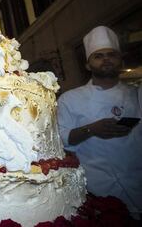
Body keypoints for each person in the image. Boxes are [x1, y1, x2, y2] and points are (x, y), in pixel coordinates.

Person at [57, 26, 142, 218]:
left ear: (120, 60)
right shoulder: (70, 99)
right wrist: (92, 129)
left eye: (111, 54)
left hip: (138, 183)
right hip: (99, 190)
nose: (106, 59)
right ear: (88, 65)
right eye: (98, 56)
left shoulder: (136, 94)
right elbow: (61, 139)